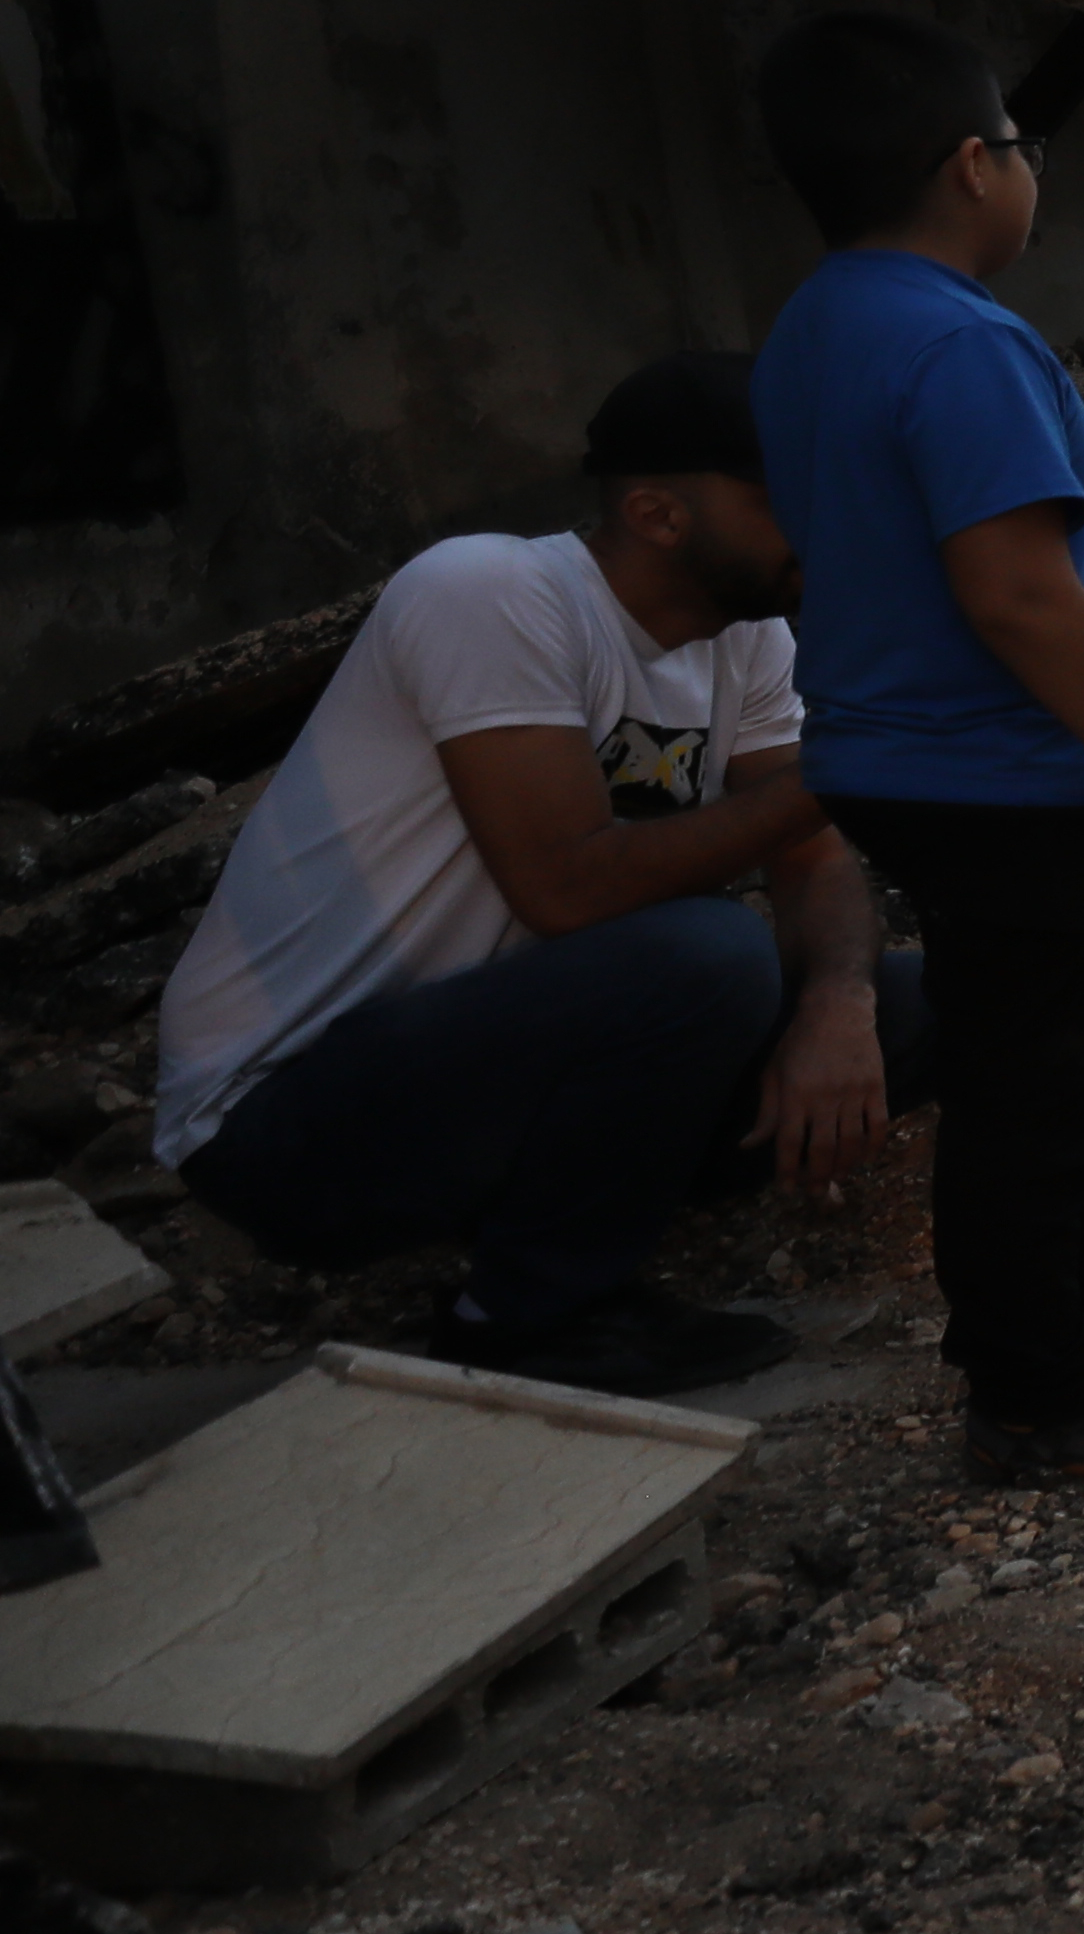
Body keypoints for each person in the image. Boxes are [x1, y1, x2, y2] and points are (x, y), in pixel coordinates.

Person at [746, 10, 1084, 1488]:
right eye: (1020, 145)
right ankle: (1037, 1394)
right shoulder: (959, 342)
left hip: (919, 758)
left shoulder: (818, 326)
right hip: (994, 767)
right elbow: (1015, 591)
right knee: (1038, 1085)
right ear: (969, 168)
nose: (1028, 172)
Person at [153, 353, 917, 1399]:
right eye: (795, 495)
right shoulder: (488, 592)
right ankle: (526, 1316)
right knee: (711, 955)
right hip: (284, 1117)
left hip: (505, 1069)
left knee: (932, 994)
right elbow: (566, 889)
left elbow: (810, 851)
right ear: (657, 514)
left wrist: (840, 1002)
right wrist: (853, 763)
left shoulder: (749, 639)